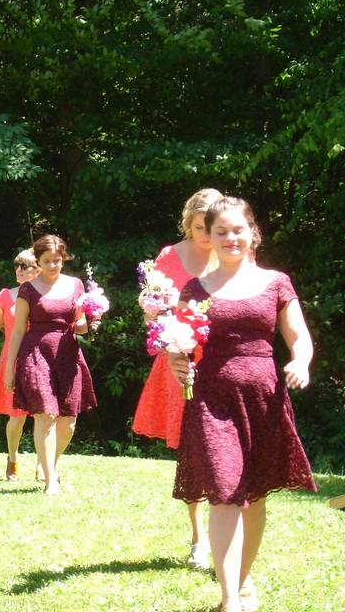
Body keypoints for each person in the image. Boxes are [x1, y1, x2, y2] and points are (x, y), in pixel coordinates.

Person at [169, 196, 316, 612]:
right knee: (223, 493)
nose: (230, 238)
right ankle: (230, 598)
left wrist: (301, 360)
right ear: (209, 238)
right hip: (212, 399)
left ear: (253, 232)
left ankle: (242, 580)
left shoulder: (276, 282)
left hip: (264, 398)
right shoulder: (194, 289)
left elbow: (298, 335)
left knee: (254, 496)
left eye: (238, 230)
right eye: (221, 232)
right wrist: (176, 362)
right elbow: (178, 344)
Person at [132, 187, 222, 569]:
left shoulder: (234, 250)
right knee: (193, 450)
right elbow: (154, 310)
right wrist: (164, 333)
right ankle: (199, 537)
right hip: (180, 359)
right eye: (200, 226)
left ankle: (227, 532)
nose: (207, 234)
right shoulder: (170, 256)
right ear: (188, 223)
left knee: (221, 448)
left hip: (224, 359)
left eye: (212, 227)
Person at [3, 235, 97, 495]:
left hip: (67, 353)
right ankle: (50, 482)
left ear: (63, 258)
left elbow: (82, 326)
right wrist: (11, 367)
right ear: (38, 261)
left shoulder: (76, 285)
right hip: (35, 353)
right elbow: (19, 330)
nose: (53, 266)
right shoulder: (28, 289)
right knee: (45, 414)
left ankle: (50, 465)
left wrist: (88, 320)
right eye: (47, 261)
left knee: (68, 422)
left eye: (57, 260)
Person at [0, 249, 40, 481]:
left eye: (25, 265)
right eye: (17, 265)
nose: (19, 270)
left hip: (40, 355)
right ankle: (12, 458)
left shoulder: (46, 296)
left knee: (43, 414)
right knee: (16, 416)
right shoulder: (6, 295)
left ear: (38, 269)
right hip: (13, 356)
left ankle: (42, 463)